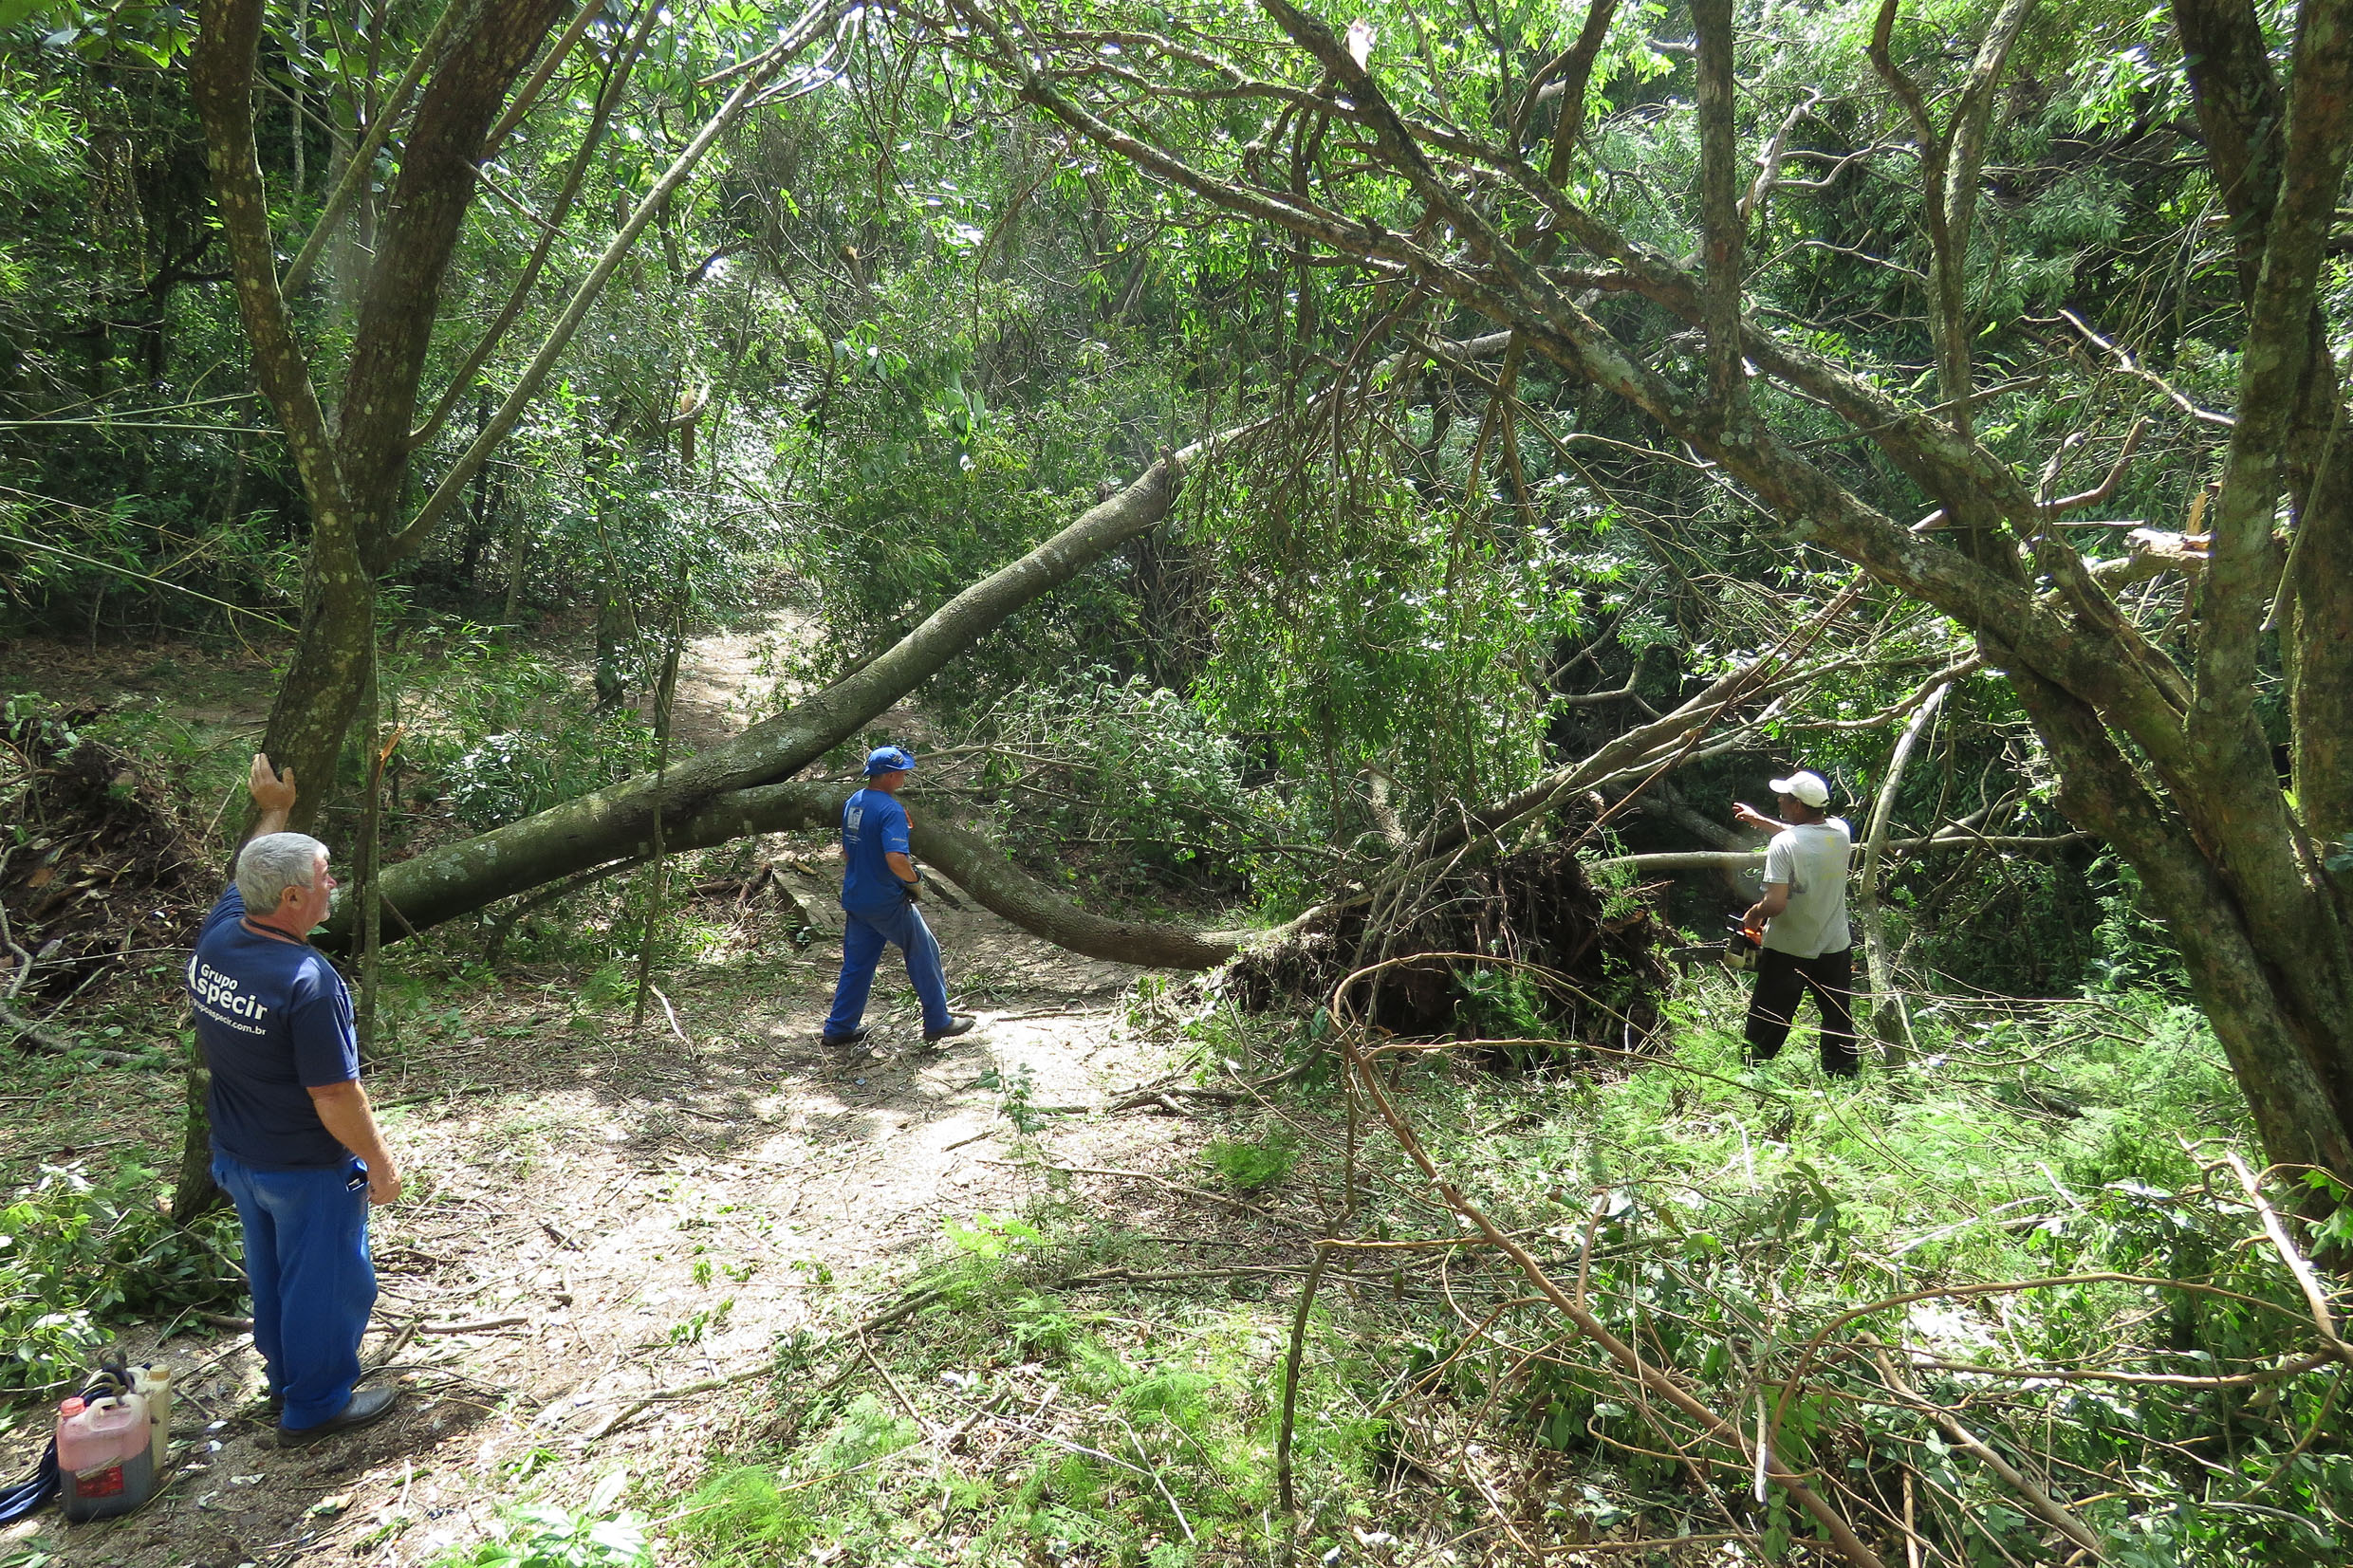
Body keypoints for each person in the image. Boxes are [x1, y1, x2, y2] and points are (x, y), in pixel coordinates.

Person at [186, 755, 403, 1448]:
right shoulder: (309, 980)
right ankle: (313, 1406)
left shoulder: (223, 931)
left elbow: (247, 864)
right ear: (290, 900)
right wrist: (380, 1163)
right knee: (330, 1281)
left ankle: (285, 1376)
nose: (331, 882)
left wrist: (276, 807)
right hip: (305, 1165)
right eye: (322, 877)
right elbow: (336, 1094)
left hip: (240, 1158)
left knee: (276, 1271)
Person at [821, 745, 976, 1052]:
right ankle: (937, 1020)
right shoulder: (890, 809)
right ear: (890, 775)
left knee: (857, 964)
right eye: (902, 771)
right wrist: (914, 880)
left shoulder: (855, 801)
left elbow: (847, 851)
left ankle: (838, 1028)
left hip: (857, 896)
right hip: (885, 900)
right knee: (924, 950)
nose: (905, 775)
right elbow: (895, 858)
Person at [1732, 769, 1858, 1079]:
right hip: (1834, 943)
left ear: (1798, 806)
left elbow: (1775, 904)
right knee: (1836, 1013)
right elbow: (1806, 836)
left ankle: (1753, 1074)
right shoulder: (1840, 831)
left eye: (1784, 797)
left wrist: (1753, 916)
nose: (1779, 800)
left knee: (1769, 1015)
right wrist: (1759, 821)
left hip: (1790, 945)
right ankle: (1843, 1075)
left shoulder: (1784, 845)